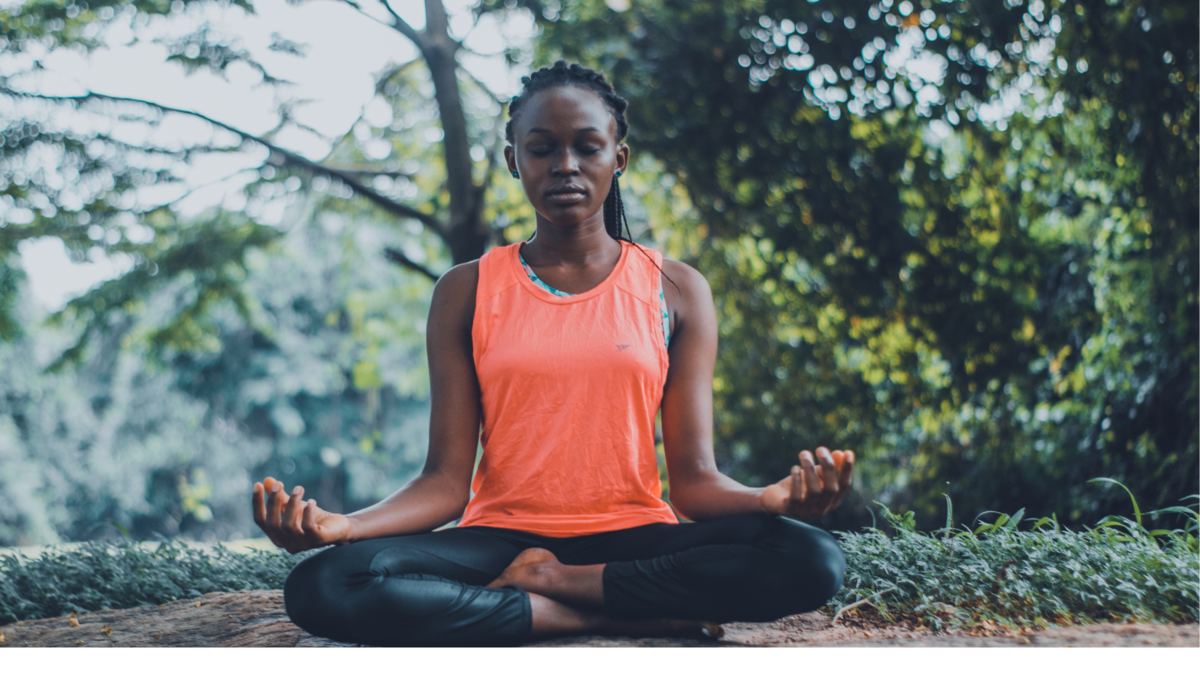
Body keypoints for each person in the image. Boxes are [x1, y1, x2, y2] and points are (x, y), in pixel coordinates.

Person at [251, 61, 856, 647]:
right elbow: (442, 483)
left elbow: (694, 483)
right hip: (498, 540)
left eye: (587, 147)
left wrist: (769, 499)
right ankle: (593, 617)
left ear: (618, 158)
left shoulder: (675, 289)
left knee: (810, 557)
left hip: (634, 537)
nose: (565, 165)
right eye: (542, 149)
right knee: (326, 583)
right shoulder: (467, 290)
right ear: (515, 161)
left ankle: (554, 585)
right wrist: (344, 526)